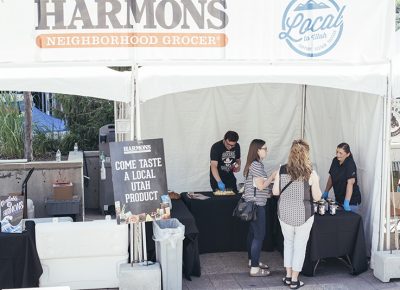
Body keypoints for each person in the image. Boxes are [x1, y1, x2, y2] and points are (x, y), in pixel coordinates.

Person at [272, 139, 322, 289]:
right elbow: (318, 197)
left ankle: (287, 276)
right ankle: (294, 279)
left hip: (284, 213)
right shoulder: (311, 173)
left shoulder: (281, 169)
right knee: (300, 246)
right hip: (304, 215)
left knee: (288, 244)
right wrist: (317, 181)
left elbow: (275, 192)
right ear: (306, 155)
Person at [243, 139, 276, 277]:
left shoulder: (255, 164)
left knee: (252, 234)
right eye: (264, 148)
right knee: (259, 236)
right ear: (257, 150)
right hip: (257, 206)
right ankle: (255, 269)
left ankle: (252, 261)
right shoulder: (256, 165)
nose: (266, 151)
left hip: (253, 205)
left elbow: (259, 185)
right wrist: (273, 176)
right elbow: (261, 185)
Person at [322, 142, 361, 212]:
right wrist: (326, 191)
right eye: (337, 152)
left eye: (340, 153)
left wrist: (346, 202)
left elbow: (350, 183)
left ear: (347, 154)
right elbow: (331, 177)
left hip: (351, 202)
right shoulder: (335, 161)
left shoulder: (350, 164)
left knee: (349, 222)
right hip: (339, 200)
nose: (337, 155)